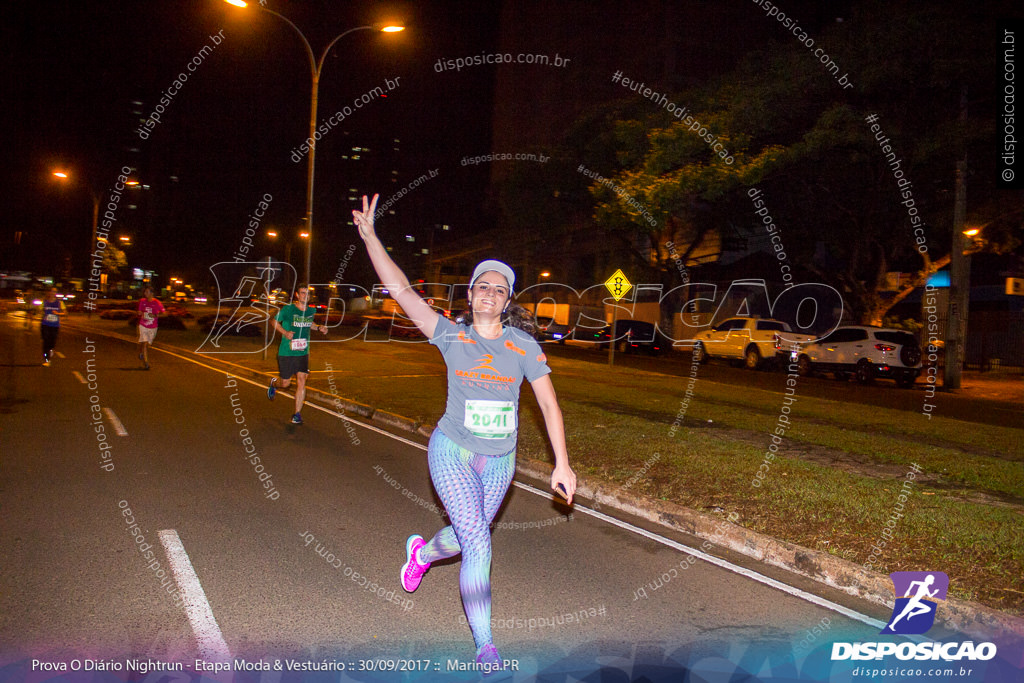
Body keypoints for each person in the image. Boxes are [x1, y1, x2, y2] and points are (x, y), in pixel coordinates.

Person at [352, 194, 577, 671]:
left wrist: (562, 461)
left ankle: (421, 553)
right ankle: (485, 644)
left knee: (462, 536)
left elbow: (548, 403)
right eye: (482, 286)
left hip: (499, 459)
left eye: (499, 289)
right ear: (470, 294)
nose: (490, 294)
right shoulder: (450, 335)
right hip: (452, 450)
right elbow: (401, 290)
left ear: (506, 300)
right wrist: (372, 239)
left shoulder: (524, 346)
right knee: (479, 541)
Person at [266, 285, 327, 424]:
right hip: (286, 352)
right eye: (303, 293)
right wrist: (285, 333)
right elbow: (273, 321)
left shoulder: (311, 311)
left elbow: (309, 323)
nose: (305, 296)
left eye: (308, 294)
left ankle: (297, 414)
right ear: (297, 295)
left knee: (301, 380)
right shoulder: (289, 309)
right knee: (286, 383)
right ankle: (275, 384)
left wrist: (318, 327)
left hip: (303, 352)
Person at [137, 287, 165, 370]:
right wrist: (140, 313)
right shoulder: (142, 301)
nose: (145, 293)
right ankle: (146, 363)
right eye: (145, 292)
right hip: (143, 325)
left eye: (147, 292)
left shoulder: (157, 303)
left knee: (148, 344)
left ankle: (142, 352)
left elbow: (164, 313)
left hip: (153, 326)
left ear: (152, 293)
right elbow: (139, 311)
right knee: (145, 343)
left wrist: (155, 315)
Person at [40, 288, 65, 366]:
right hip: (45, 325)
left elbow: (65, 313)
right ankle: (47, 360)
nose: (53, 293)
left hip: (55, 326)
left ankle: (51, 350)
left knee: (52, 343)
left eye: (55, 292)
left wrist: (57, 313)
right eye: (52, 291)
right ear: (49, 292)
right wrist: (41, 313)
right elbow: (40, 311)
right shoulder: (44, 302)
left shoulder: (59, 303)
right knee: (46, 342)